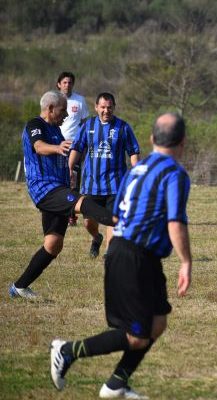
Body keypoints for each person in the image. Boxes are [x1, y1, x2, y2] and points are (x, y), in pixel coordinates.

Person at [50, 112, 192, 399]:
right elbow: (175, 221)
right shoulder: (175, 173)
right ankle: (66, 351)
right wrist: (186, 262)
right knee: (136, 336)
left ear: (152, 140)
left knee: (157, 323)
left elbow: (115, 217)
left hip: (136, 255)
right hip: (133, 257)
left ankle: (116, 383)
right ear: (183, 143)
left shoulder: (135, 171)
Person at [8, 91, 116, 300]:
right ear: (50, 109)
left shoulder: (57, 130)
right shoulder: (35, 124)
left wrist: (70, 185)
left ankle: (19, 287)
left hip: (59, 188)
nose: (66, 115)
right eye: (62, 110)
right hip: (44, 188)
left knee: (54, 244)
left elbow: (61, 163)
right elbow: (39, 147)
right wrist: (57, 148)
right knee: (85, 203)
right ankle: (119, 221)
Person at [69, 92, 140, 258]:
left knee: (112, 219)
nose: (106, 110)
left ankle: (110, 251)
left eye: (109, 107)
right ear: (96, 107)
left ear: (114, 108)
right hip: (91, 184)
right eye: (103, 107)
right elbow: (77, 148)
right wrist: (70, 168)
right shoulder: (87, 126)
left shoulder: (123, 127)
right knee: (88, 222)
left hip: (116, 184)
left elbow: (133, 152)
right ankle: (96, 237)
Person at [56, 72, 89, 226]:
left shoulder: (80, 100)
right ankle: (57, 211)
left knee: (73, 179)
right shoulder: (53, 99)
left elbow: (84, 124)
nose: (67, 85)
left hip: (73, 146)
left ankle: (72, 215)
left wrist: (82, 145)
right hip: (55, 145)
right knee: (57, 178)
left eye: (70, 82)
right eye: (64, 82)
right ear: (59, 84)